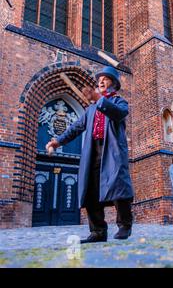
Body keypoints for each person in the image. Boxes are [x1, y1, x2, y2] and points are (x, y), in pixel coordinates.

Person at [46, 66, 134, 243]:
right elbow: (76, 127)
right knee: (91, 190)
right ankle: (98, 232)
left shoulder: (119, 102)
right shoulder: (91, 109)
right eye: (99, 78)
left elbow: (119, 114)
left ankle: (125, 225)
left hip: (113, 150)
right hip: (93, 150)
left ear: (114, 83)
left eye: (106, 78)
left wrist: (99, 99)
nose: (101, 81)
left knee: (119, 186)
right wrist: (58, 141)